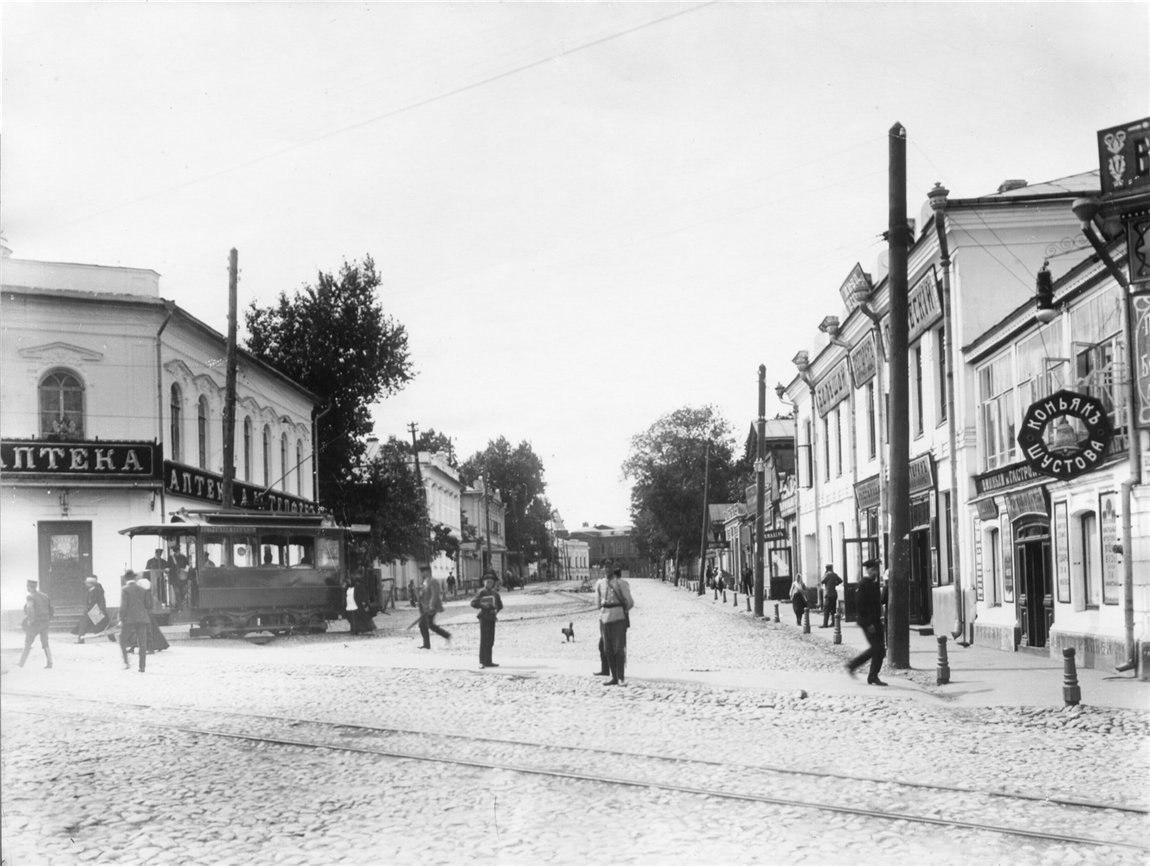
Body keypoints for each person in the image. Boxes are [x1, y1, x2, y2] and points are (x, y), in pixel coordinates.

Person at [846, 559, 888, 686]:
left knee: (880, 650)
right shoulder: (863, 584)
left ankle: (872, 676)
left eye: (877, 570)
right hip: (868, 622)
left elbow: (878, 602)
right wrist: (869, 623)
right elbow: (860, 605)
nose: (876, 572)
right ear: (868, 570)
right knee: (877, 648)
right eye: (873, 569)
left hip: (876, 621)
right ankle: (853, 666)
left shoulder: (874, 583)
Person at [597, 568, 634, 686]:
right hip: (605, 619)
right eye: (605, 567)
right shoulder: (600, 584)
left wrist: (620, 610)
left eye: (609, 566)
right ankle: (613, 676)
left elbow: (630, 602)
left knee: (618, 649)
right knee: (607, 649)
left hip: (618, 619)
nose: (606, 570)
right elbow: (598, 604)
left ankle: (620, 677)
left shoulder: (621, 583)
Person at [118, 571, 152, 673]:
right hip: (142, 618)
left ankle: (126, 663)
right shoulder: (142, 589)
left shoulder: (125, 589)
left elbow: (123, 606)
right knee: (142, 643)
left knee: (122, 640)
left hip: (129, 619)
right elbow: (149, 605)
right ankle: (142, 667)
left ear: (126, 579)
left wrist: (121, 619)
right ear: (134, 578)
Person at [18, 580, 53, 669]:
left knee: (28, 643)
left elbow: (30, 609)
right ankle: (50, 663)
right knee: (45, 643)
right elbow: (51, 609)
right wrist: (48, 619)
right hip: (45, 622)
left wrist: (30, 620)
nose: (26, 588)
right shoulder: (45, 596)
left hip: (35, 623)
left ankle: (21, 663)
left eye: (27, 586)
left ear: (30, 587)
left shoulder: (30, 597)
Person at [470, 572, 503, 668]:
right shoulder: (481, 592)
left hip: (492, 617)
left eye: (491, 582)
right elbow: (473, 603)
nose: (489, 583)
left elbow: (500, 605)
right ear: (484, 582)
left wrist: (496, 610)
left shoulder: (495, 593)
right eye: (487, 582)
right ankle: (482, 661)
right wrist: (484, 605)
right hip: (484, 617)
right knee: (484, 639)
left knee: (491, 640)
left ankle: (489, 661)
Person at [416, 565, 451, 649]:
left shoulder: (433, 581)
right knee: (425, 625)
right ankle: (428, 644)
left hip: (430, 607)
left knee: (426, 625)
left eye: (423, 572)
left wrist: (432, 605)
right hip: (424, 607)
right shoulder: (425, 581)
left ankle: (445, 636)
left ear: (427, 572)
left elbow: (435, 594)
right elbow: (423, 593)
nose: (421, 574)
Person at [73, 575, 109, 643]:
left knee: (104, 625)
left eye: (87, 583)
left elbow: (102, 601)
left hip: (96, 610)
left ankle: (112, 638)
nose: (86, 584)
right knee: (83, 624)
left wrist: (101, 610)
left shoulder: (98, 591)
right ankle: (80, 640)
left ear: (91, 584)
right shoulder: (88, 591)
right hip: (89, 610)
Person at [820, 564, 843, 628]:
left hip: (828, 594)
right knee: (833, 609)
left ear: (826, 569)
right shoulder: (834, 574)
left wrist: (825, 574)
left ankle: (825, 624)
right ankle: (833, 623)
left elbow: (822, 581)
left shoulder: (827, 575)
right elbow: (840, 580)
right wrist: (835, 584)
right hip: (834, 594)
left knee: (826, 609)